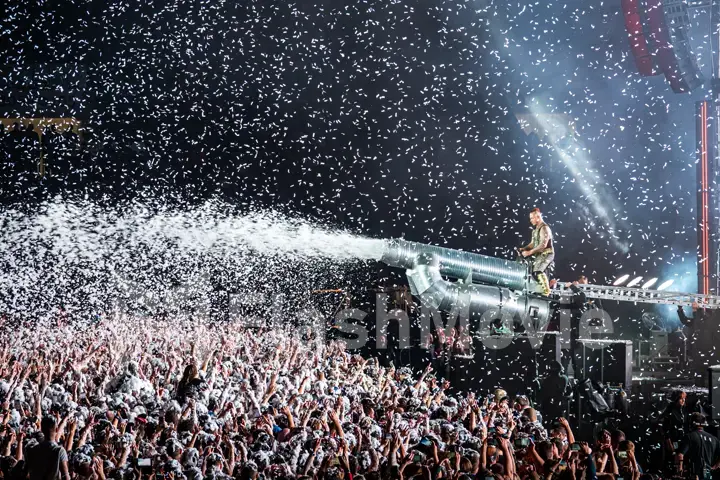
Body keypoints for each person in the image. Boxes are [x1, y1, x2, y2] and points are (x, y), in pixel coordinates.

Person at [519, 208, 555, 296]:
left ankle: (546, 291)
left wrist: (529, 252)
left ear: (538, 217)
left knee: (538, 271)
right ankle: (538, 289)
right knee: (532, 271)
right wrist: (524, 248)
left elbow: (543, 245)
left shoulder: (544, 228)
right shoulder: (535, 230)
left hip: (547, 253)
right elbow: (533, 244)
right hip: (539, 254)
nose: (530, 220)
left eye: (532, 218)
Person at [675, 413, 720, 480]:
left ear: (692, 423)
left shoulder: (690, 436)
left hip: (694, 475)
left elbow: (680, 455)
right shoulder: (714, 439)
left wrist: (680, 470)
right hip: (708, 474)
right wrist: (715, 466)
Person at [24, 416, 71, 480]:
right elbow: (65, 477)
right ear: (56, 429)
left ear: (42, 430)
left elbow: (25, 472)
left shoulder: (32, 449)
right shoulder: (59, 451)